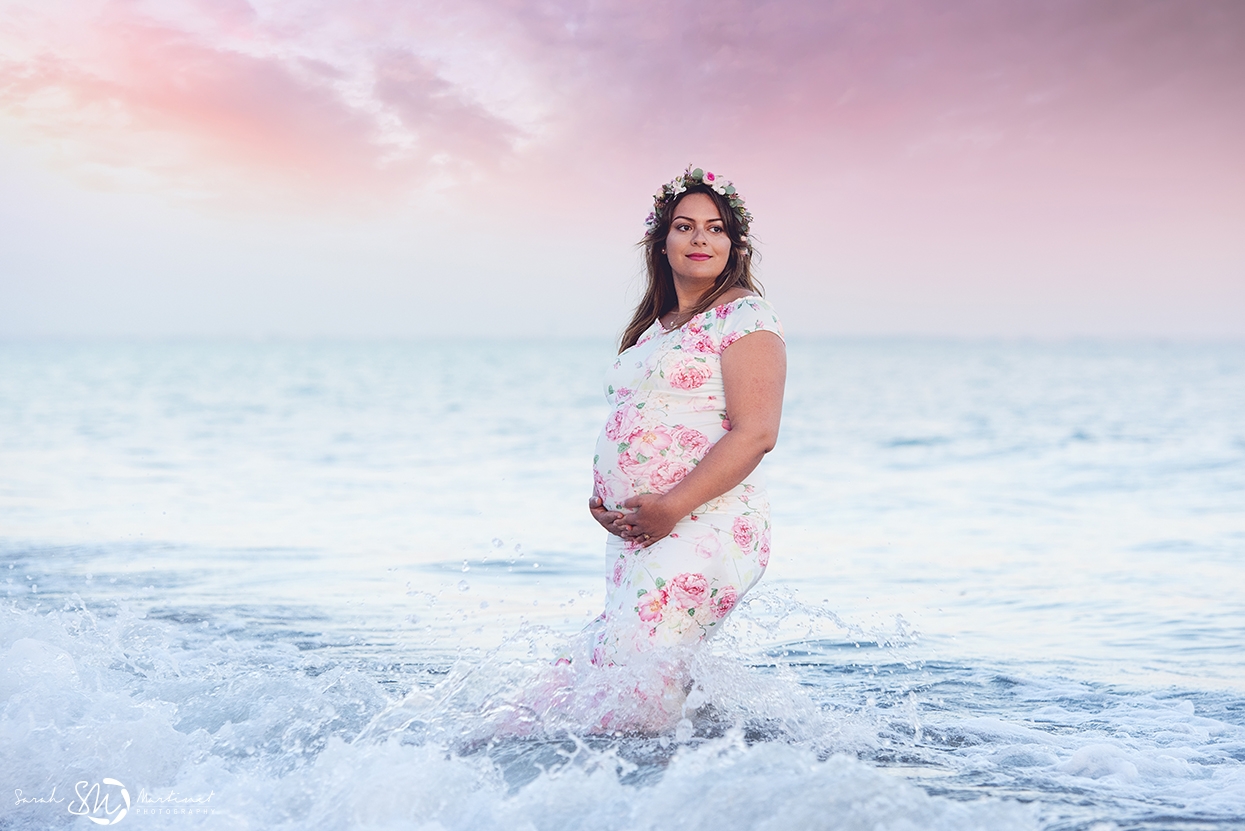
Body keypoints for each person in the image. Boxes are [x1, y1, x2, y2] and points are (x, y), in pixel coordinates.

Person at [578, 165, 786, 728]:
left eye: (715, 228)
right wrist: (605, 499)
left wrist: (671, 506)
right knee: (613, 670)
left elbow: (756, 432)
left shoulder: (746, 316)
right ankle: (696, 765)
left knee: (636, 683)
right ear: (661, 241)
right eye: (685, 226)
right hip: (643, 533)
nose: (700, 238)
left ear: (734, 244)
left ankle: (651, 799)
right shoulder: (655, 326)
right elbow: (636, 416)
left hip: (706, 522)